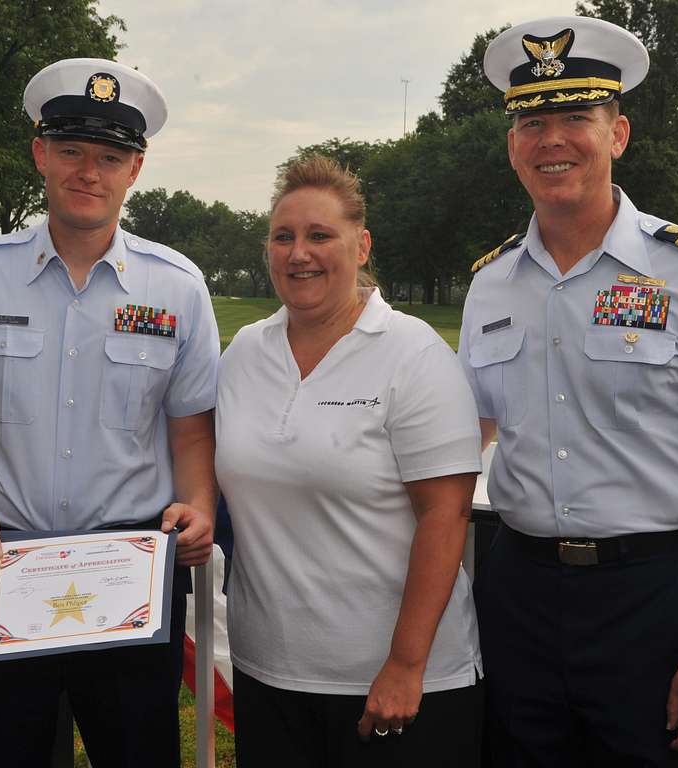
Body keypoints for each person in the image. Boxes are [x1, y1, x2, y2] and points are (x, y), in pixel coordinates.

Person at [459, 17, 678, 767]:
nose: (553, 140)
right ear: (513, 146)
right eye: (533, 122)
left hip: (654, 598)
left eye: (576, 118)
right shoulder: (490, 284)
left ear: (618, 134)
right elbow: (462, 443)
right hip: (518, 593)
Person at [0, 58, 219, 768]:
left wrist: (198, 504)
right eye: (71, 150)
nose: (88, 172)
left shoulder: (178, 288)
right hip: (4, 565)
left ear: (135, 169)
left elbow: (192, 428)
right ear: (40, 154)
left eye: (109, 156)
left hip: (130, 575)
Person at [215, 155, 484, 767]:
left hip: (394, 686)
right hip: (268, 672)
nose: (298, 253)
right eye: (283, 237)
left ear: (361, 246)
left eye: (319, 236)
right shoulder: (244, 354)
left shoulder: (412, 353)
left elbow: (446, 515)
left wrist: (405, 665)